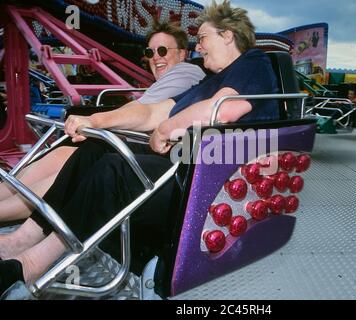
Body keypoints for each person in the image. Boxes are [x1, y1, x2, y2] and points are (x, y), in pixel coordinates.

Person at [0, 0, 280, 295]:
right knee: (92, 151)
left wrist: (167, 129)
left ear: (227, 35)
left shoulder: (253, 63)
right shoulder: (206, 83)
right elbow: (150, 112)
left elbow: (223, 111)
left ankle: (32, 265)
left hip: (207, 185)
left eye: (203, 38)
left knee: (115, 170)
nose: (199, 47)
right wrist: (96, 120)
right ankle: (22, 238)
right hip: (183, 170)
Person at [0, 21, 205, 223]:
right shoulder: (173, 80)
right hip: (146, 146)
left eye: (162, 50)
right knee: (68, 154)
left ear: (182, 53)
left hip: (157, 155)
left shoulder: (187, 73)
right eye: (150, 53)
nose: (156, 58)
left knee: (73, 159)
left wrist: (95, 121)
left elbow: (144, 111)